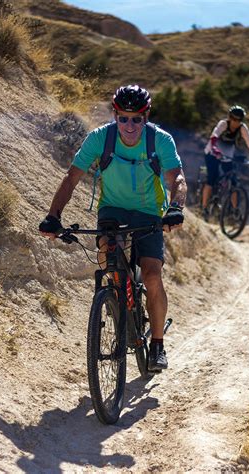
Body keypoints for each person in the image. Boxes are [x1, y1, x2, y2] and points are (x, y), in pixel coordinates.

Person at [39, 84, 187, 372]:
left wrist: (175, 208)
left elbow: (177, 178)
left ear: (146, 117)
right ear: (115, 116)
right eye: (124, 118)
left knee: (152, 275)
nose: (130, 126)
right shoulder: (100, 138)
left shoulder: (160, 140)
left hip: (148, 212)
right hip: (113, 209)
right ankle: (118, 304)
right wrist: (53, 216)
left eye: (137, 119)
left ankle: (157, 344)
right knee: (109, 259)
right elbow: (71, 178)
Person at [202, 105, 249, 219]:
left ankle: (235, 210)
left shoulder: (242, 128)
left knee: (233, 181)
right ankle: (204, 207)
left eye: (239, 120)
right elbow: (214, 135)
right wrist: (214, 148)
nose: (236, 122)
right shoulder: (223, 124)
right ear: (229, 117)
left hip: (227, 155)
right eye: (234, 119)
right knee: (212, 178)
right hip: (213, 152)